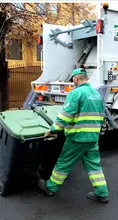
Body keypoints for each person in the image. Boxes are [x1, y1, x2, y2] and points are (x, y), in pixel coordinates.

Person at [38, 68, 109, 203]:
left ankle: (51, 187)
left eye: (73, 80)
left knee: (64, 163)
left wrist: (53, 130)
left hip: (77, 137)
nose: (72, 82)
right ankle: (102, 191)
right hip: (92, 138)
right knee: (94, 165)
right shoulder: (96, 94)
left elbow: (66, 115)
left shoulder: (76, 93)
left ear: (76, 78)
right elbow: (101, 115)